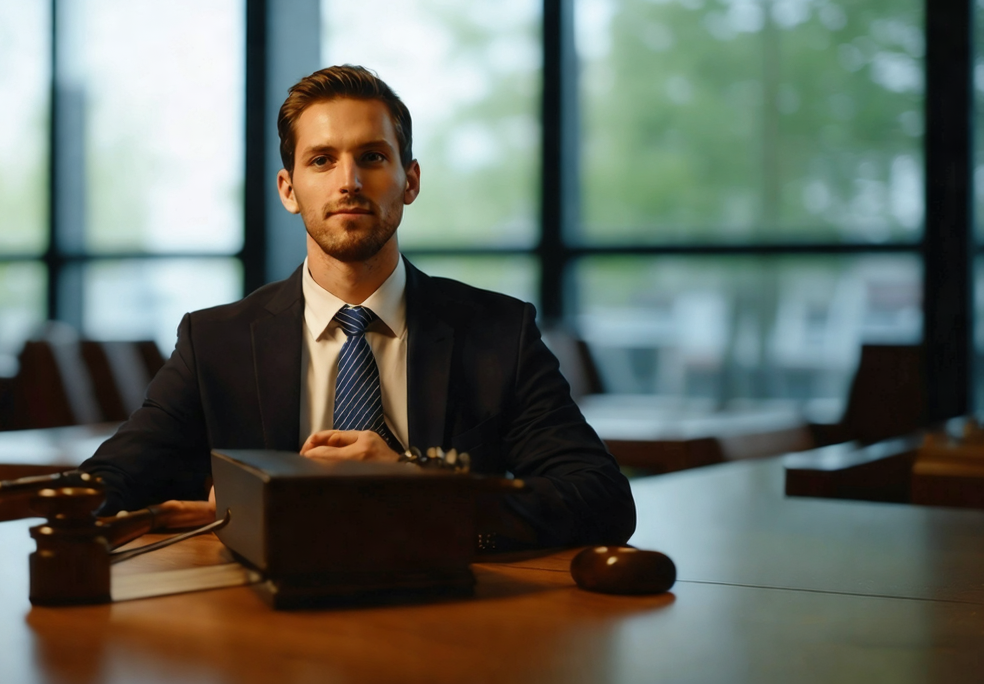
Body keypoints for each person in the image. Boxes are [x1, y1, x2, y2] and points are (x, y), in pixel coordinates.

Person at [81, 65, 635, 548]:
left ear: (410, 180)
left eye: (372, 157)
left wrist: (413, 484)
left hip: (455, 626)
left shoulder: (499, 332)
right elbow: (107, 483)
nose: (348, 182)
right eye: (321, 160)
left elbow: (601, 500)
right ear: (288, 189)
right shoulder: (216, 342)